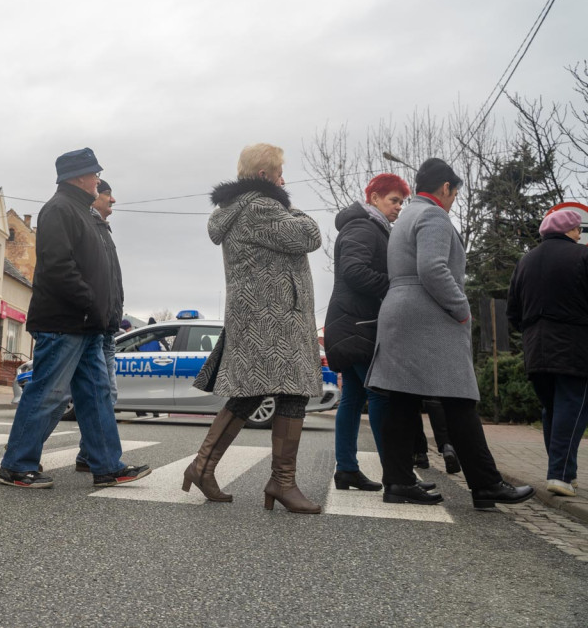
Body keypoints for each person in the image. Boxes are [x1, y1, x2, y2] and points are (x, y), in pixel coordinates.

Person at [366, 157, 534, 509]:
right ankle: (486, 484)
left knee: (403, 400)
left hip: (401, 311)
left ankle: (397, 482)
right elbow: (432, 268)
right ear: (445, 188)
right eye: (455, 193)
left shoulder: (407, 215)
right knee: (459, 399)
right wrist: (461, 308)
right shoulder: (433, 215)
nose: (453, 199)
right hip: (428, 314)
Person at [0, 148, 151, 489]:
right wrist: (91, 304)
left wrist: (103, 312)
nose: (99, 179)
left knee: (96, 396)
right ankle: (16, 465)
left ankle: (107, 465)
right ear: (79, 177)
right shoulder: (59, 209)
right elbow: (58, 267)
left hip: (88, 323)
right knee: (48, 393)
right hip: (65, 322)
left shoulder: (84, 213)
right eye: (95, 173)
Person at [186, 143, 322, 513]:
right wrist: (285, 201)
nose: (284, 179)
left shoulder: (240, 209)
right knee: (290, 394)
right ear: (264, 177)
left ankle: (203, 466)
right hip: (274, 321)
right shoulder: (262, 207)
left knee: (249, 394)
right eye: (279, 173)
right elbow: (310, 235)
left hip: (262, 319)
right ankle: (281, 482)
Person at [323, 174, 440, 490]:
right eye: (394, 200)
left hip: (350, 323)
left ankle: (347, 469)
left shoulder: (370, 227)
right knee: (379, 395)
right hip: (357, 325)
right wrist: (396, 286)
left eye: (402, 201)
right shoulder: (363, 227)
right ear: (374, 197)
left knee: (353, 397)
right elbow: (354, 271)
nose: (399, 207)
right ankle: (396, 473)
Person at [43, 177, 124, 472]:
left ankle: (95, 457)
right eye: (107, 194)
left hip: (103, 325)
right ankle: (23, 449)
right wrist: (93, 306)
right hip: (84, 322)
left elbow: (108, 279)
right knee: (57, 395)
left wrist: (111, 314)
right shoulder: (78, 219)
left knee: (103, 394)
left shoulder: (101, 227)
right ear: (94, 196)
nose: (113, 200)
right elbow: (63, 269)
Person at [507, 209, 588, 497]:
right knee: (574, 406)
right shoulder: (582, 256)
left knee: (552, 408)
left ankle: (566, 472)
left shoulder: (526, 260)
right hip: (575, 345)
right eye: (578, 230)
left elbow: (512, 311)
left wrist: (531, 331)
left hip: (535, 348)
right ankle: (560, 474)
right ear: (568, 231)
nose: (580, 235)